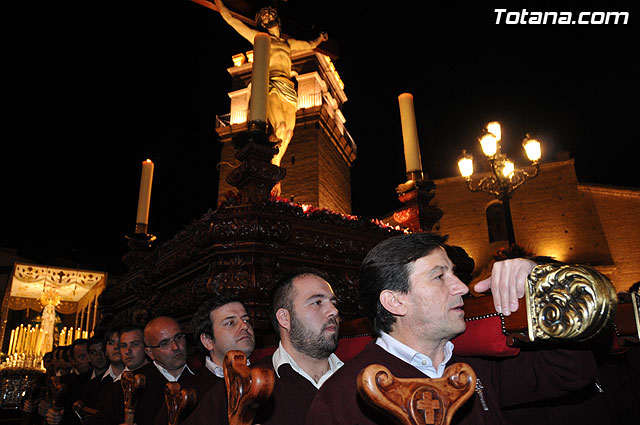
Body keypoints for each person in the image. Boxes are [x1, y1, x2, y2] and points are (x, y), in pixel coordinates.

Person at [304, 232, 599, 425]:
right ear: (395, 301)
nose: (460, 287)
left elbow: (573, 373)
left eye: (454, 273)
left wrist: (543, 284)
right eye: (439, 276)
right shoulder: (343, 398)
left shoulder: (478, 365)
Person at [182, 267, 342, 425]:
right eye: (317, 302)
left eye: (333, 303)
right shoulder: (241, 389)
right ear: (284, 318)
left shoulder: (359, 378)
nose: (333, 311)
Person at [214, 0, 328, 190]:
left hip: (289, 90)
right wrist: (220, 5)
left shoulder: (288, 43)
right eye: (263, 17)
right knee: (281, 127)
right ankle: (275, 174)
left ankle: (275, 165)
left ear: (277, 19)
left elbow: (309, 45)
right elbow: (234, 22)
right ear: (260, 23)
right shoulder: (259, 38)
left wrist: (319, 40)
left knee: (289, 132)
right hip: (272, 85)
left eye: (270, 16)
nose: (267, 19)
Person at [155, 294, 256, 425]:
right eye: (230, 323)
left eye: (246, 320)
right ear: (207, 341)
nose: (244, 326)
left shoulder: (270, 373)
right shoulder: (186, 395)